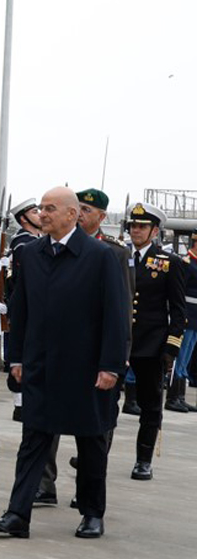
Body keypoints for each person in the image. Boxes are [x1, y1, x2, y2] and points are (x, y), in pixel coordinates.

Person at [0, 187, 129, 540]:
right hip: (42, 367)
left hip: (87, 369)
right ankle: (17, 514)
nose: (43, 214)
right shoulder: (32, 254)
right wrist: (16, 357)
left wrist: (111, 366)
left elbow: (116, 315)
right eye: (41, 208)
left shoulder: (100, 256)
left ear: (72, 214)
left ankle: (92, 513)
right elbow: (21, 310)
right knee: (32, 441)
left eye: (50, 208)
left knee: (91, 443)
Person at [122, 202, 186, 481]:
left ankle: (143, 460)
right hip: (120, 341)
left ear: (155, 231)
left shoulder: (168, 263)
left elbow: (178, 310)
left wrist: (171, 347)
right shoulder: (119, 257)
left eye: (142, 226)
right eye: (133, 225)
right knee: (104, 401)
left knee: (150, 405)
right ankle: (96, 451)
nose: (136, 230)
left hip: (150, 344)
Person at [5, 198, 41, 422]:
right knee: (22, 355)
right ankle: (20, 405)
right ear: (24, 218)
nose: (39, 215)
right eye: (35, 211)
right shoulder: (23, 243)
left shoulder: (35, 240)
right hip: (25, 306)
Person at [172, 229, 197, 412]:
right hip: (188, 312)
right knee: (180, 355)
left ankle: (180, 396)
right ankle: (173, 397)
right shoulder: (186, 263)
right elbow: (180, 292)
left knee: (188, 355)